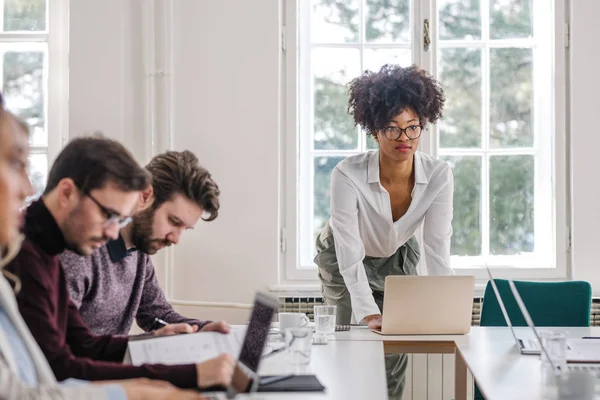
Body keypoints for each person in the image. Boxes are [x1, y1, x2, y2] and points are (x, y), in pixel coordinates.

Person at [0, 98, 206, 399]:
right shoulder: (39, 254)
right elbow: (61, 367)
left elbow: (83, 345)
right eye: (15, 165)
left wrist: (189, 336)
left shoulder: (48, 251)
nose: (28, 189)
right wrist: (147, 389)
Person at [314, 64, 454, 399]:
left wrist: (445, 308)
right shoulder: (346, 174)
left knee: (394, 351)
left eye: (412, 128)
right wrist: (368, 311)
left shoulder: (438, 175)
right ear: (375, 131)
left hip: (398, 252)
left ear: (423, 126)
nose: (404, 139)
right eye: (392, 129)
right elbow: (349, 251)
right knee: (349, 345)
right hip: (341, 255)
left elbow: (436, 247)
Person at [60, 150, 227, 336]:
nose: (175, 239)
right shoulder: (80, 251)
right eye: (174, 221)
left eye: (184, 229)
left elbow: (156, 314)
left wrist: (202, 329)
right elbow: (64, 350)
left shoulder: (139, 253)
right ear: (146, 196)